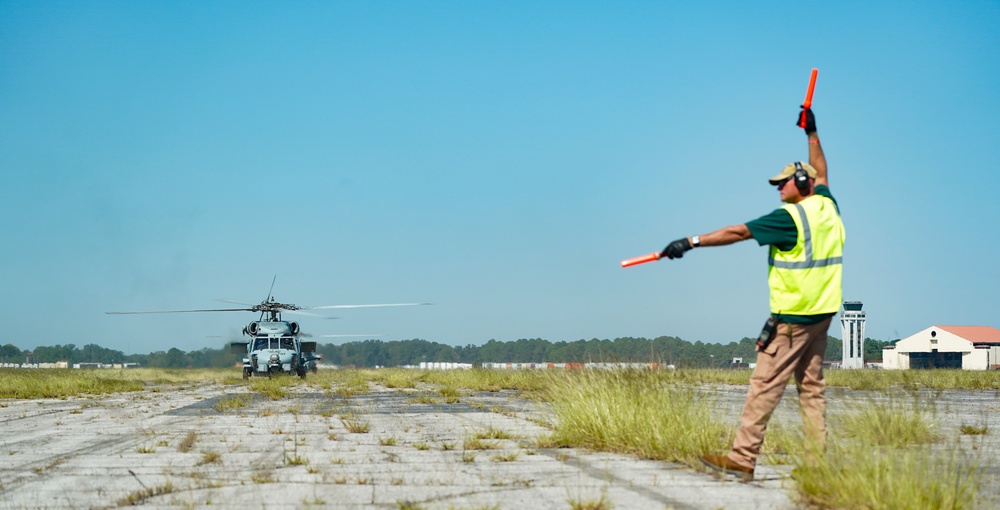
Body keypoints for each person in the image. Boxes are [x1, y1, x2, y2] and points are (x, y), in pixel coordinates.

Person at [660, 107, 845, 482]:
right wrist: (813, 133)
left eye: (782, 183)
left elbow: (738, 232)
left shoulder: (789, 218)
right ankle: (817, 466)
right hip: (822, 317)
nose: (778, 189)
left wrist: (690, 242)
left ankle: (743, 458)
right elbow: (822, 171)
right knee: (812, 391)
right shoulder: (827, 207)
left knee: (763, 387)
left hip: (792, 322)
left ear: (799, 182)